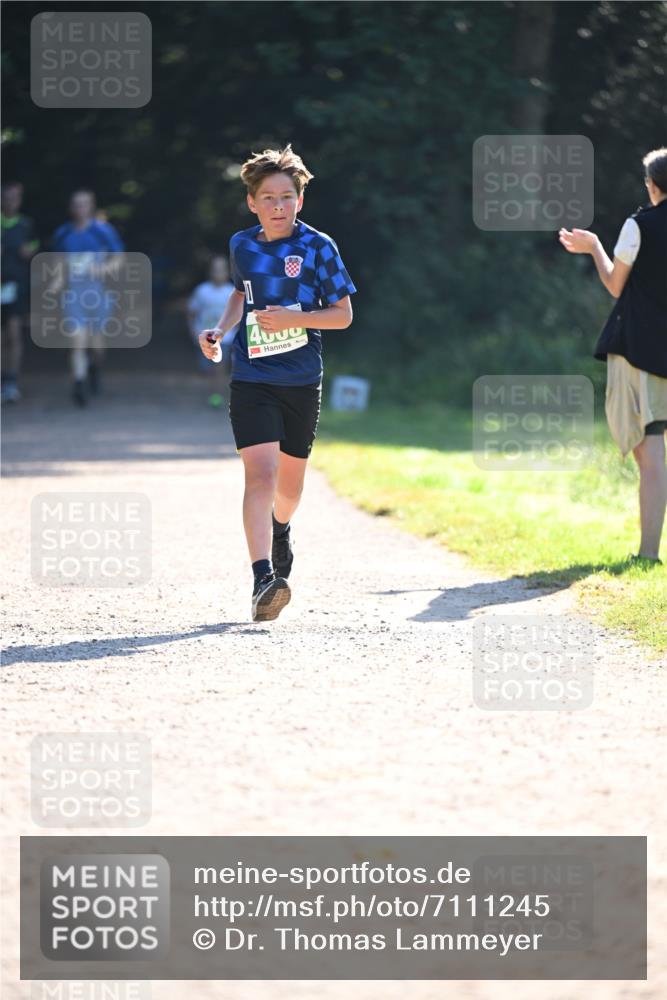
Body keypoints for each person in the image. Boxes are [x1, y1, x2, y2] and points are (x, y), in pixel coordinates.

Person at [199, 145, 356, 621]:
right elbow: (237, 293)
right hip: (251, 376)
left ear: (300, 201)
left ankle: (281, 529)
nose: (278, 206)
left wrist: (298, 317)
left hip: (301, 380)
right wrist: (220, 331)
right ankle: (262, 578)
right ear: (252, 203)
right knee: (260, 475)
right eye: (268, 198)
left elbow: (344, 317)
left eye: (287, 197)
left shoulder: (318, 246)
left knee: (288, 490)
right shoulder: (242, 245)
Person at [559, 147, 667, 564]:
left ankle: (648, 554)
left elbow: (616, 285)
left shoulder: (637, 226)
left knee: (651, 450)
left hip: (642, 350)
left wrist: (594, 247)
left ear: (652, 185)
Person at [51, 190, 124, 406]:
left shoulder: (103, 231)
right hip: (74, 295)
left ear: (91, 207)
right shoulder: (63, 233)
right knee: (77, 341)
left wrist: (102, 270)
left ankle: (94, 368)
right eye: (76, 204)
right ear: (71, 208)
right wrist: (56, 282)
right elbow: (58, 262)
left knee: (97, 344)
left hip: (99, 294)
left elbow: (118, 258)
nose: (80, 208)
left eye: (84, 204)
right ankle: (79, 384)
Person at [1, 182, 39, 403]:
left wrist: (29, 252)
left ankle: (11, 381)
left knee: (14, 334)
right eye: (7, 197)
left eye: (15, 198)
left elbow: (34, 247)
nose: (11, 202)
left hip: (15, 287)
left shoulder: (26, 225)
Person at [187, 255, 237, 374]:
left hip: (225, 338)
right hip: (204, 338)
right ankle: (208, 391)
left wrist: (235, 333)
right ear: (209, 271)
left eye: (221, 269)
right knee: (205, 369)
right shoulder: (201, 290)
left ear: (228, 271)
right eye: (215, 270)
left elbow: (237, 315)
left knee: (220, 367)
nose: (218, 273)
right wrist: (193, 331)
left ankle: (218, 391)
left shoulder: (232, 291)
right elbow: (192, 313)